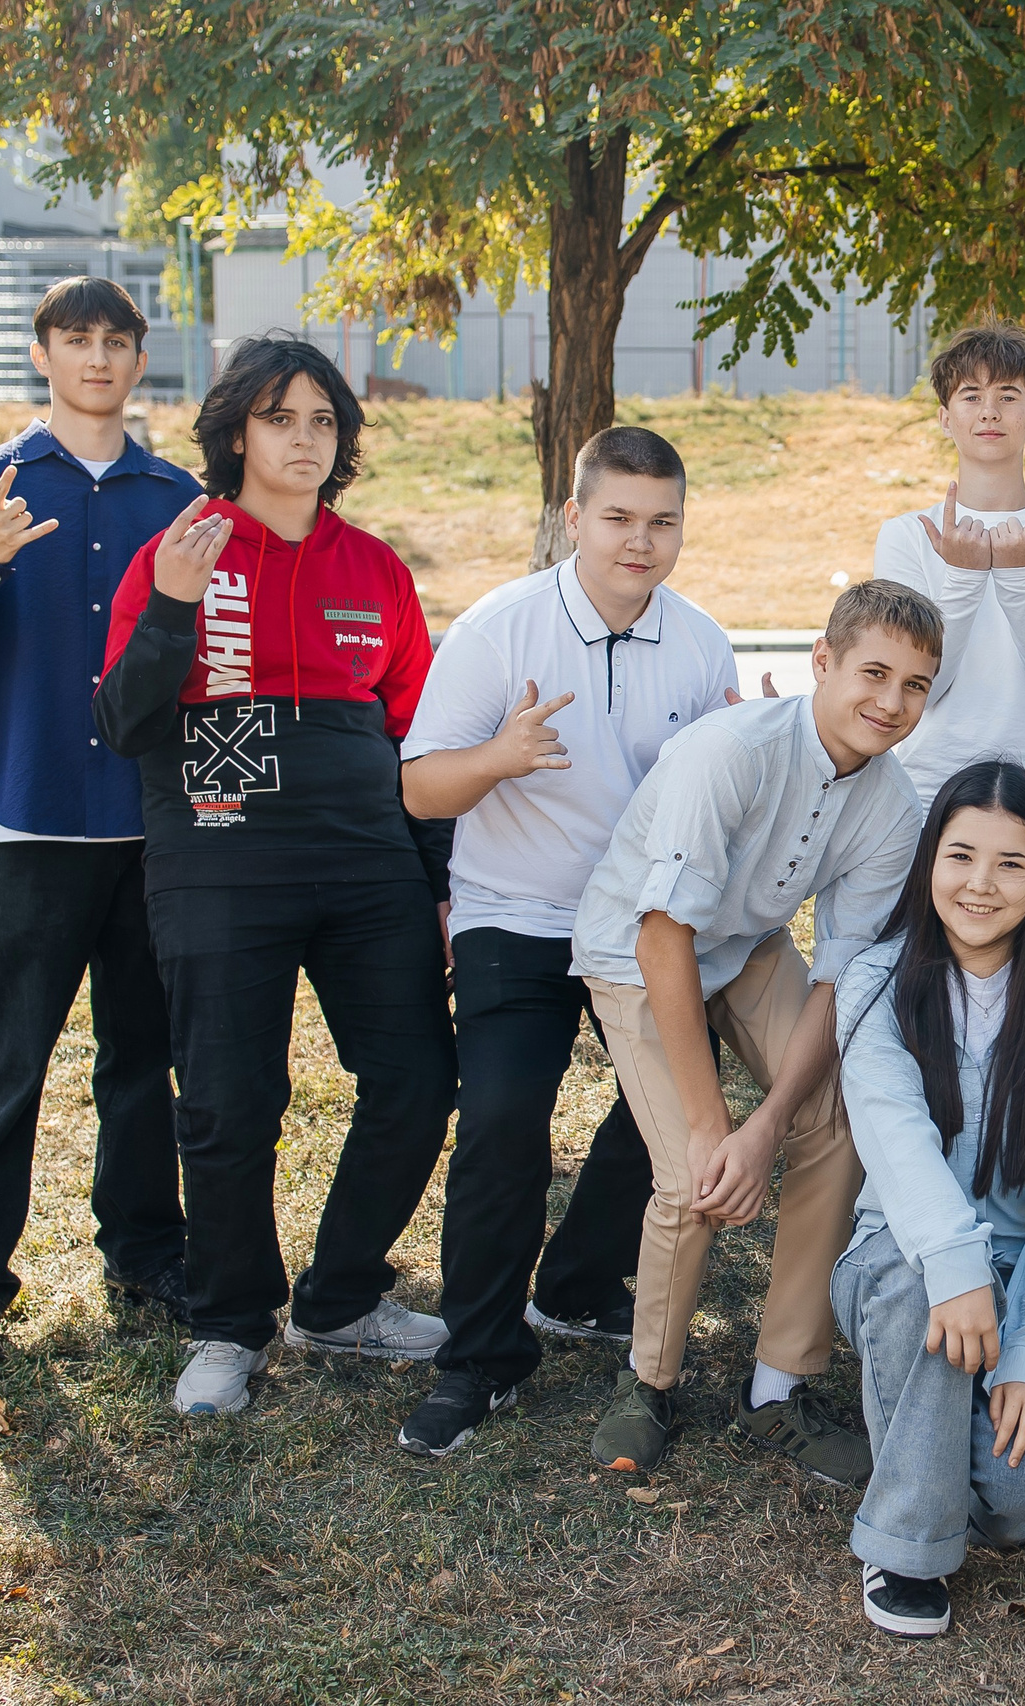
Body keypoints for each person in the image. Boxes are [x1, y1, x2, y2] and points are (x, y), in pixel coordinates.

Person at [94, 333, 456, 1419]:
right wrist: (167, 605)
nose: (303, 438)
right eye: (279, 417)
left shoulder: (375, 567)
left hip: (365, 856)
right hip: (221, 853)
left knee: (416, 1074)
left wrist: (437, 880)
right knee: (227, 1101)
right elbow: (122, 723)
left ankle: (340, 1295)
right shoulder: (183, 550)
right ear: (235, 431)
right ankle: (228, 1322)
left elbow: (420, 737)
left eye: (322, 420)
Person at [389, 425, 746, 1456]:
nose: (641, 541)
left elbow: (711, 787)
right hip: (519, 912)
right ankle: (478, 1359)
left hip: (640, 925)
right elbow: (419, 784)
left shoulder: (699, 638)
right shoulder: (500, 627)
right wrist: (498, 756)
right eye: (620, 518)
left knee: (672, 1110)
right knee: (500, 1116)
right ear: (573, 517)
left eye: (663, 521)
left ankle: (576, 1284)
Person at [569, 579, 943, 1480]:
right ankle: (648, 1382)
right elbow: (664, 938)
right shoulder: (731, 752)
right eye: (874, 673)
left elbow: (840, 976)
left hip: (747, 944)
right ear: (823, 661)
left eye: (917, 685)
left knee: (842, 1124)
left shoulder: (896, 805)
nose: (891, 703)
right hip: (636, 950)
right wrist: (715, 1127)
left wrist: (770, 1121)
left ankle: (778, 1385)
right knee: (691, 1173)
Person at [0, 276, 199, 1368]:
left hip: (147, 828)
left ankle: (146, 1250)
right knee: (6, 1061)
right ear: (43, 353)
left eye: (116, 340)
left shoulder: (176, 499)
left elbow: (211, 660)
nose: (97, 358)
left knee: (142, 1057)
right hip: (28, 823)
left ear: (137, 358)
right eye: (77, 339)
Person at [833, 760, 1025, 1638]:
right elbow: (898, 1145)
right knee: (929, 1309)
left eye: (1011, 863)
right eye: (962, 856)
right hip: (904, 1253)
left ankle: (927, 1443)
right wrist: (957, 1270)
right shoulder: (878, 984)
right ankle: (907, 1542)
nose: (981, 885)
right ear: (930, 861)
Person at [873, 323, 1025, 801]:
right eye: (970, 395)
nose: (988, 412)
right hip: (927, 789)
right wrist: (963, 576)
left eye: (1007, 396)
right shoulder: (906, 536)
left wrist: (1018, 578)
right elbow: (920, 687)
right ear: (945, 418)